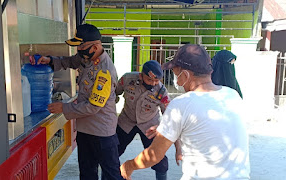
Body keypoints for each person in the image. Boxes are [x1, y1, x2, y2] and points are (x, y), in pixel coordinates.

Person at [120, 44, 250, 180]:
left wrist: (128, 166)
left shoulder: (180, 105)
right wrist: (168, 127)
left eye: (176, 74)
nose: (176, 80)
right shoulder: (233, 95)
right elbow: (208, 127)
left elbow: (154, 155)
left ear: (186, 75)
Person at [32, 24, 124, 180]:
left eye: (81, 46)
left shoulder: (104, 71)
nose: (78, 50)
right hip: (85, 130)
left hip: (102, 133)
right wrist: (49, 61)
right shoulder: (87, 58)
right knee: (87, 173)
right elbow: (70, 61)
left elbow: (93, 107)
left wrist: (64, 107)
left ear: (95, 47)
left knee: (111, 175)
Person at [113, 60, 172, 180]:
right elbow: (114, 94)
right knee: (112, 152)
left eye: (157, 80)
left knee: (158, 158)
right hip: (126, 122)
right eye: (150, 80)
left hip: (149, 125)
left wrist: (161, 128)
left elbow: (169, 114)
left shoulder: (161, 91)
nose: (154, 83)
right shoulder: (127, 79)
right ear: (141, 75)